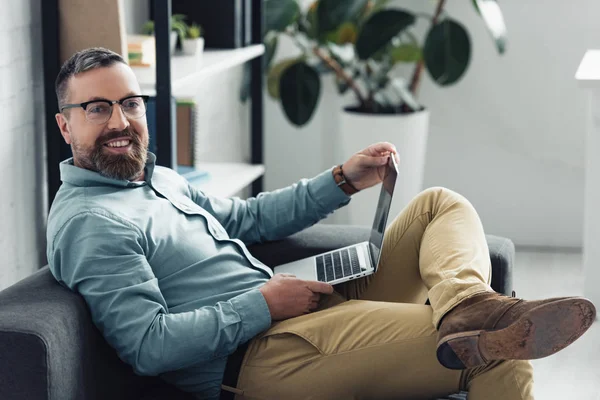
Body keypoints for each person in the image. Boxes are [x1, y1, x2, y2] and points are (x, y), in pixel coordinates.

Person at [46, 47, 595, 400]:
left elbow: (249, 217)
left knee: (439, 205)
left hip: (299, 309)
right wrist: (263, 303)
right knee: (499, 352)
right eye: (97, 109)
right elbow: (148, 345)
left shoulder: (155, 180)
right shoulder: (93, 223)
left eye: (130, 104)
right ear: (65, 127)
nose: (120, 122)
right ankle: (476, 319)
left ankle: (464, 303)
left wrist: (343, 179)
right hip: (263, 356)